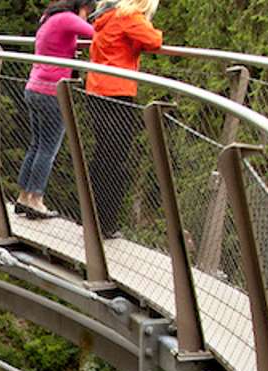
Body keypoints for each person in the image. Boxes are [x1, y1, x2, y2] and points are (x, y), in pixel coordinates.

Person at [85, 0, 163, 238]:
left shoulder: (107, 16)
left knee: (103, 156)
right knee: (115, 158)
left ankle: (92, 217)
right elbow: (154, 41)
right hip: (117, 94)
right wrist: (149, 27)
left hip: (97, 90)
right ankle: (106, 223)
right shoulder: (128, 17)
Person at [16, 0, 96, 219]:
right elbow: (97, 34)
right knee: (48, 149)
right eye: (88, 10)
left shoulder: (50, 18)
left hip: (34, 87)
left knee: (36, 145)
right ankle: (36, 200)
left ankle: (23, 197)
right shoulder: (68, 19)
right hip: (51, 92)